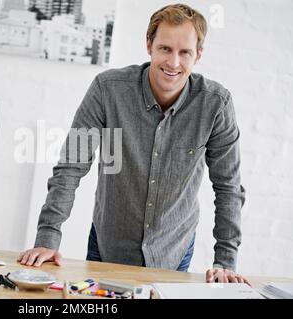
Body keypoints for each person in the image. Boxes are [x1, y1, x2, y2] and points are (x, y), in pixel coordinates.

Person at [18, 3, 250, 284]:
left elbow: (228, 187)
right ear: (149, 44)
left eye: (184, 52)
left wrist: (225, 261)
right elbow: (71, 166)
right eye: (165, 48)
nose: (174, 62)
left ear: (198, 54)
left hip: (173, 252)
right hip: (107, 247)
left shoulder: (216, 104)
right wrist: (48, 238)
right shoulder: (108, 89)